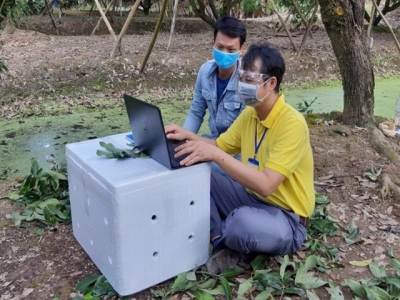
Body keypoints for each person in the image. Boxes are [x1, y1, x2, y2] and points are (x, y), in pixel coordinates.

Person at [165, 43, 315, 274]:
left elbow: (266, 185)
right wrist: (188, 136)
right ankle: (219, 241)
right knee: (200, 177)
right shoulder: (250, 114)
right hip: (248, 198)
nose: (242, 85)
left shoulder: (292, 124)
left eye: (250, 79)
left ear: (271, 82)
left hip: (287, 217)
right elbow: (218, 144)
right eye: (241, 77)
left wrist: (215, 154)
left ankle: (230, 230)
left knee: (241, 223)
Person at [183, 16, 246, 140]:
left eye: (231, 49)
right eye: (220, 47)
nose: (225, 53)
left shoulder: (248, 81)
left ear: (241, 49)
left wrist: (205, 145)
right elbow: (196, 112)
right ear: (213, 43)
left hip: (236, 149)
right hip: (212, 140)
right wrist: (183, 139)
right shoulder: (204, 72)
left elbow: (243, 131)